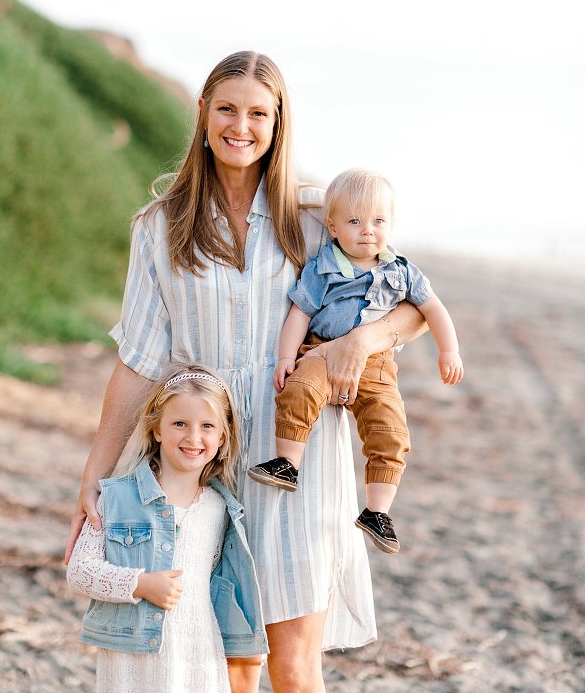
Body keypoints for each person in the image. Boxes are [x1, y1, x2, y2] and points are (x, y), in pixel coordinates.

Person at [65, 51, 429, 693]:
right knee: (226, 665)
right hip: (198, 461)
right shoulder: (160, 228)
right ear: (203, 113)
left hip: (300, 457)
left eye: (258, 112)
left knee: (291, 667)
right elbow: (139, 362)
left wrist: (362, 339)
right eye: (227, 108)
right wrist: (95, 473)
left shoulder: (317, 220)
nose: (241, 125)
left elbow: (414, 309)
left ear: (278, 121)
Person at [248, 168, 464, 555]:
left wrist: (449, 351)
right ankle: (287, 462)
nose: (368, 230)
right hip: (320, 349)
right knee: (299, 389)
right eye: (355, 221)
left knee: (389, 428)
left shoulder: (401, 270)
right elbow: (299, 312)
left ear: (391, 224)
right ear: (332, 227)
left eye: (378, 221)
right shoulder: (323, 267)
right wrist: (285, 357)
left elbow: (433, 310)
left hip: (377, 363)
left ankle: (377, 510)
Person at [67, 362, 265, 692]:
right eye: (179, 423)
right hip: (133, 660)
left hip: (198, 655)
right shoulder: (115, 497)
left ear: (222, 435)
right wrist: (139, 583)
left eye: (206, 426)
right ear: (157, 428)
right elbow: (80, 571)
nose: (193, 437)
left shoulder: (221, 510)